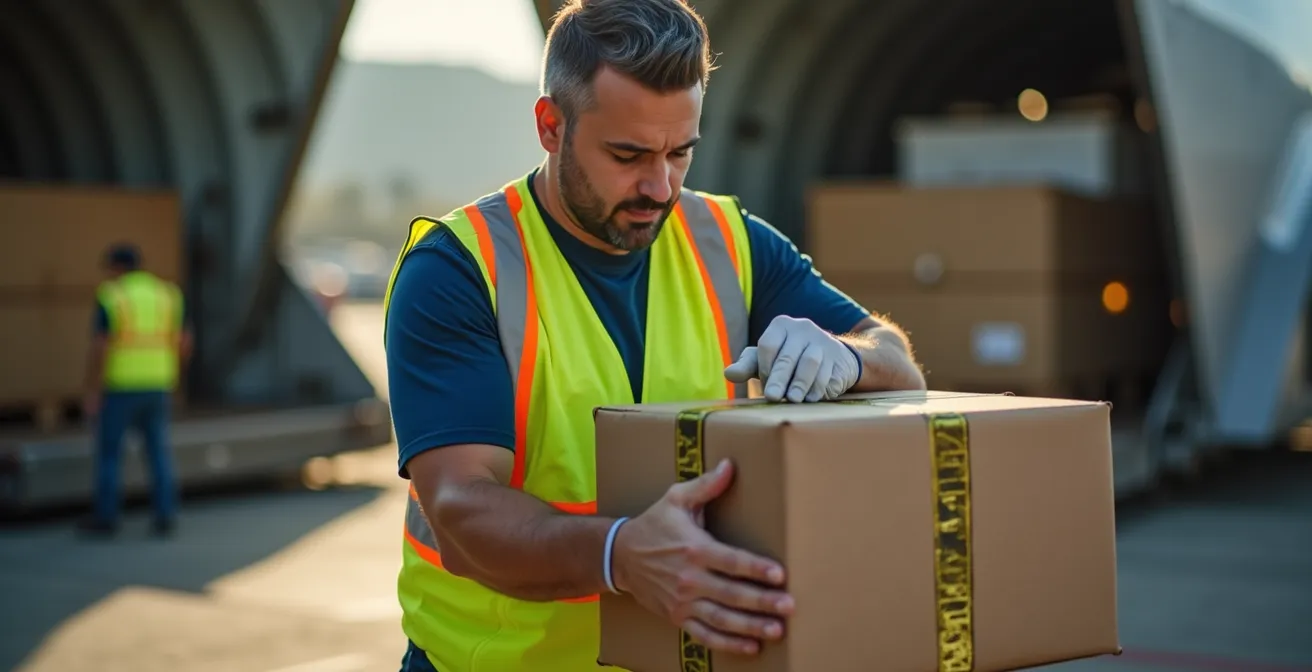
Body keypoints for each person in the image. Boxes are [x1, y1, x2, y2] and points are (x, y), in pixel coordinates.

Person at [382, 1, 926, 669]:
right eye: (628, 154)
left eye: (681, 152)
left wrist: (846, 356)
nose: (660, 185)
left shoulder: (729, 242)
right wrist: (619, 555)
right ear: (551, 127)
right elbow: (461, 513)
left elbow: (899, 364)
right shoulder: (459, 269)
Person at [79, 242, 192, 537]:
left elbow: (100, 346)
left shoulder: (112, 296)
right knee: (158, 453)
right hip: (158, 385)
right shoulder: (168, 294)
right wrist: (175, 377)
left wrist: (93, 389)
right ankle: (165, 515)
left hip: (121, 387)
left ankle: (106, 518)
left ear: (117, 268)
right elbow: (183, 342)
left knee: (109, 455)